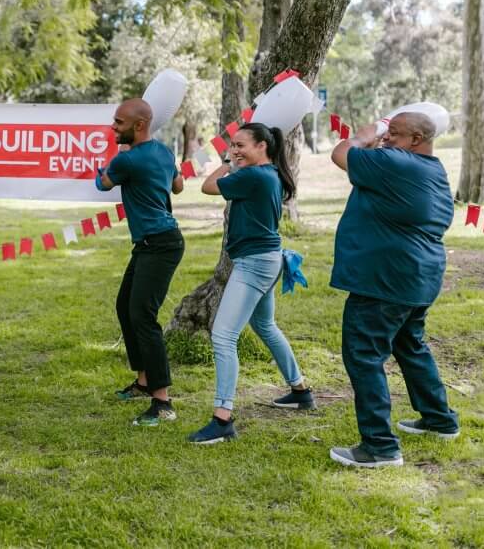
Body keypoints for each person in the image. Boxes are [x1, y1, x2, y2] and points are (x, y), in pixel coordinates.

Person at [328, 112, 459, 468]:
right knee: (409, 345)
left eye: (394, 134)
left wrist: (366, 134)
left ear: (416, 139)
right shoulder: (434, 169)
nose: (386, 139)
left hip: (385, 279)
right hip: (419, 276)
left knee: (363, 354)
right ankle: (439, 419)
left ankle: (380, 447)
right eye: (387, 134)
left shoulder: (397, 163)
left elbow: (341, 153)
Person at [188, 122, 312, 444]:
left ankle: (222, 419)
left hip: (255, 263)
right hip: (267, 258)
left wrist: (229, 163)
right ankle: (300, 391)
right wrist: (236, 159)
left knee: (223, 335)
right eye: (232, 144)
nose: (234, 149)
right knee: (265, 326)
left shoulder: (254, 175)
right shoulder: (269, 173)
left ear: (262, 147)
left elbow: (208, 186)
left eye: (241, 145)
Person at [96, 98, 186, 427]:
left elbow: (102, 183)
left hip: (159, 245)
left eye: (118, 123)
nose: (113, 127)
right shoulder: (163, 152)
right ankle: (143, 381)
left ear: (138, 126)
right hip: (154, 242)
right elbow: (178, 185)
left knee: (143, 316)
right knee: (125, 307)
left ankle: (162, 403)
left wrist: (106, 168)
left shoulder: (127, 160)